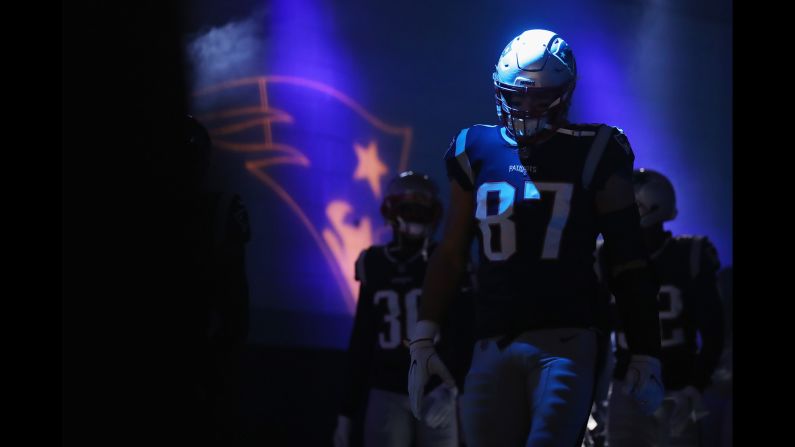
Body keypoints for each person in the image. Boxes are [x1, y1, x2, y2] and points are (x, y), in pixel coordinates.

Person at [406, 29, 663, 446]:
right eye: (517, 95)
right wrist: (422, 337)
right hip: (491, 340)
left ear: (566, 93)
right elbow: (451, 253)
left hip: (566, 339)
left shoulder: (598, 147)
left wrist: (646, 348)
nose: (527, 107)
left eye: (541, 98)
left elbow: (627, 257)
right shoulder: (475, 146)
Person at [334, 171, 475, 447]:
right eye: (409, 209)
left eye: (422, 210)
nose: (415, 217)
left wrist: (452, 386)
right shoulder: (374, 262)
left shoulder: (445, 261)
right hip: (386, 387)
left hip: (436, 388)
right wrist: (346, 410)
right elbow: (362, 338)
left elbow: (465, 330)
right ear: (392, 211)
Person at [602, 168, 724, 447]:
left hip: (677, 387)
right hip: (626, 389)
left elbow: (714, 332)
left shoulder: (690, 254)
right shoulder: (605, 257)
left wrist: (696, 384)